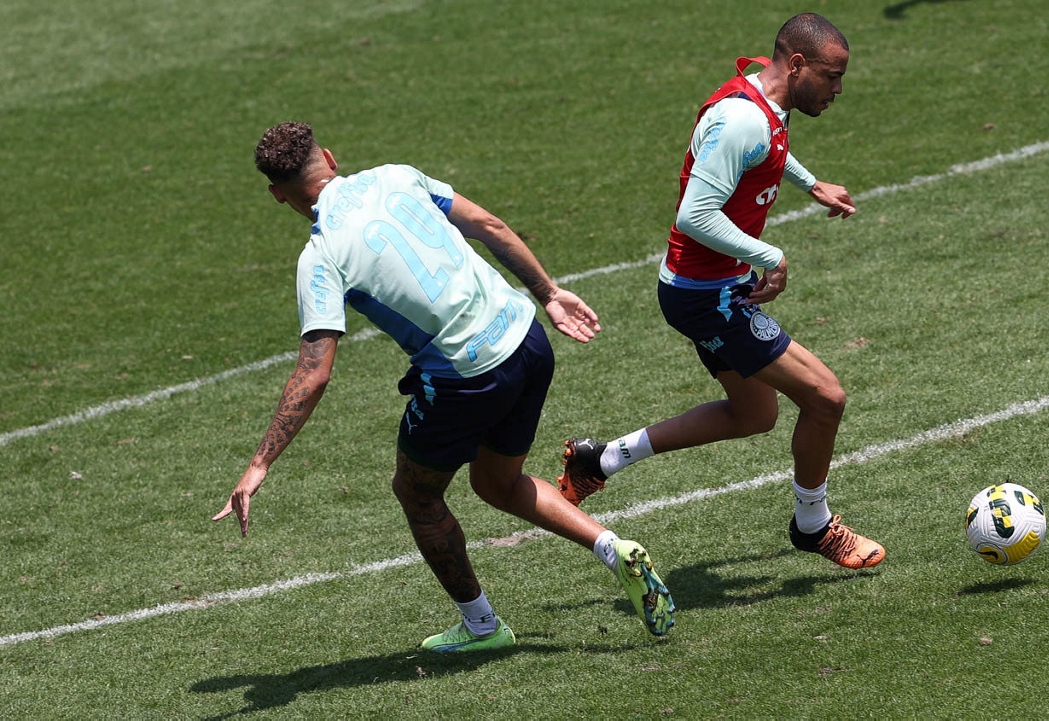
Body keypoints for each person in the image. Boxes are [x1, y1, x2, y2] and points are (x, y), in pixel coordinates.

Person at [214, 122, 674, 652]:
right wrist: (549, 293)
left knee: (416, 492)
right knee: (497, 484)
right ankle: (613, 548)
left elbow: (314, 371)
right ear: (330, 158)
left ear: (278, 194)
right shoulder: (396, 175)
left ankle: (483, 627)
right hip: (526, 337)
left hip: (468, 378)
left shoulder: (321, 256)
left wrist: (260, 463)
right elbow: (490, 225)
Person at [557, 13, 884, 570]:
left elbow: (766, 148)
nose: (838, 89)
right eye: (832, 77)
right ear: (797, 64)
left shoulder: (765, 103)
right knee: (826, 398)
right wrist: (770, 256)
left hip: (711, 285)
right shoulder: (740, 121)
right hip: (707, 294)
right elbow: (695, 215)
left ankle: (600, 460)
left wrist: (811, 184)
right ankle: (813, 524)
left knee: (753, 415)